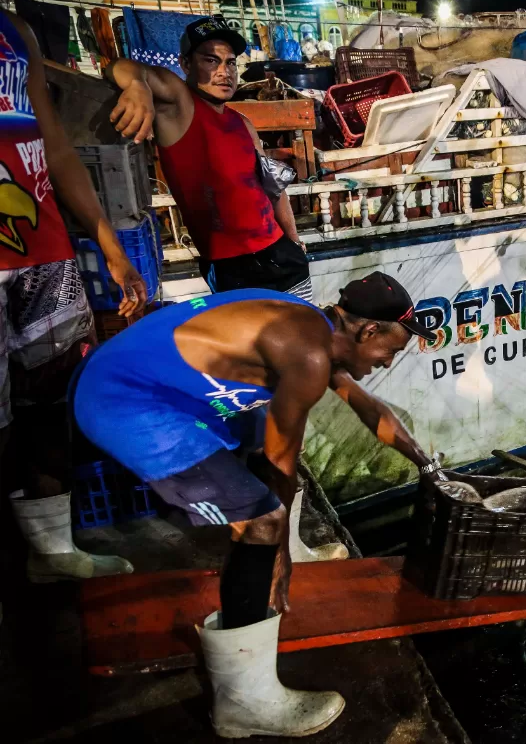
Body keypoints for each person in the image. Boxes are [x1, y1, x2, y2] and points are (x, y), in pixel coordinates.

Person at [71, 272, 439, 738]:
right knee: (263, 521)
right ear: (368, 332)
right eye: (392, 350)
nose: (387, 362)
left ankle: (270, 549)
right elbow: (280, 460)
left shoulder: (314, 328)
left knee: (257, 431)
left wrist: (429, 467)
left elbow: (370, 409)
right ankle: (242, 702)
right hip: (127, 400)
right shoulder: (306, 353)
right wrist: (278, 551)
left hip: (142, 377)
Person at [1, 10, 146, 584]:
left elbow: (54, 144)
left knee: (52, 395)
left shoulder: (17, 31)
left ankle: (53, 552)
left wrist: (109, 243)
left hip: (43, 246)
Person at [103, 15, 312, 298]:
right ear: (186, 64)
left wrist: (294, 241)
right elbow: (120, 67)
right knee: (248, 342)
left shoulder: (242, 123)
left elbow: (273, 188)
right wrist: (138, 86)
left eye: (230, 63)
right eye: (211, 61)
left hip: (282, 253)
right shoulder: (181, 105)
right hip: (234, 268)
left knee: (306, 336)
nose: (224, 72)